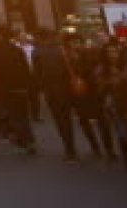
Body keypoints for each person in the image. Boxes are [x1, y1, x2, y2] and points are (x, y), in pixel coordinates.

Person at [33, 29, 104, 162]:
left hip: (55, 92)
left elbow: (39, 76)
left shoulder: (38, 52)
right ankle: (96, 146)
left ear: (39, 37)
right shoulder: (64, 50)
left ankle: (70, 151)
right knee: (84, 119)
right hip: (74, 90)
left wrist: (42, 89)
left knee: (63, 122)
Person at [0, 25, 36, 154]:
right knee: (23, 114)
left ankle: (22, 140)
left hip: (4, 87)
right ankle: (29, 139)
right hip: (20, 87)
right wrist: (28, 85)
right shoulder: (17, 50)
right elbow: (25, 69)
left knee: (13, 115)